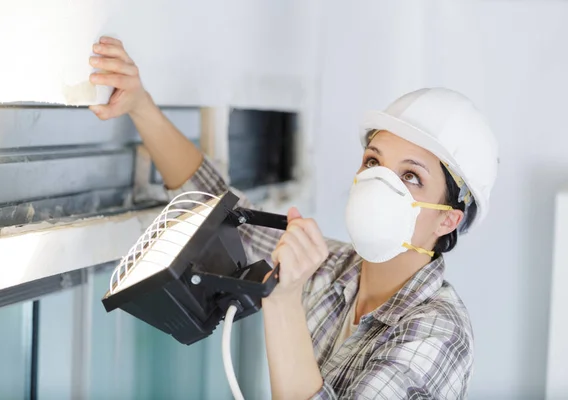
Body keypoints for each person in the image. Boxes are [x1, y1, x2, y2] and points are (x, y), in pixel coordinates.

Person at [89, 36, 498, 399]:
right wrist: (141, 107)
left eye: (411, 176)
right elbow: (222, 215)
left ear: (447, 220)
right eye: (374, 162)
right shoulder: (334, 269)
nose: (380, 184)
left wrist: (283, 299)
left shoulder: (438, 333)